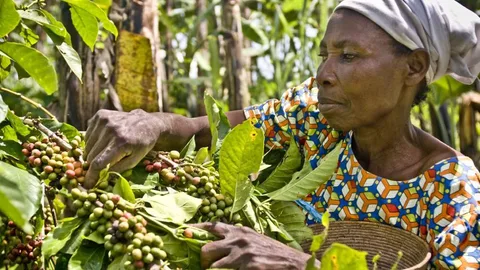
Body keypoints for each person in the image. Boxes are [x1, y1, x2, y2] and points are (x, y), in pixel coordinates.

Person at [84, 0, 480, 268]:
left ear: (413, 67)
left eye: (348, 56)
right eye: (325, 55)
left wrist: (301, 264)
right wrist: (151, 122)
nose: (325, 74)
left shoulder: (450, 188)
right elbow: (208, 131)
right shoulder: (315, 118)